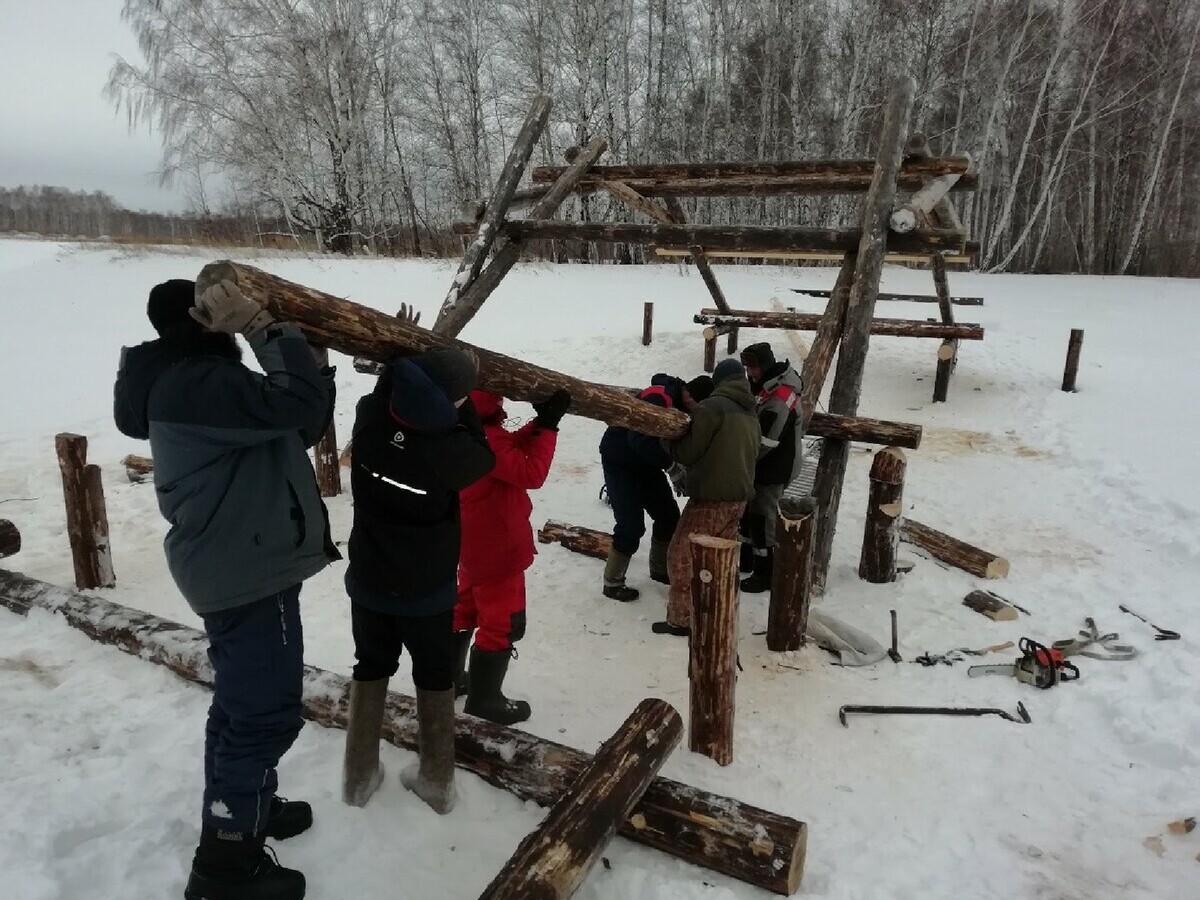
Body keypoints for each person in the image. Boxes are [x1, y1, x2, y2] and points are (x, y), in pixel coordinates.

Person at [114, 278, 337, 900]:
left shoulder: (196, 382)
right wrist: (269, 332)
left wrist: (311, 359)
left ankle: (249, 810)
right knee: (262, 715)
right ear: (205, 323)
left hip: (241, 561)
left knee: (243, 706)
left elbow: (299, 423)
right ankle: (226, 864)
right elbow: (291, 408)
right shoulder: (199, 383)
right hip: (246, 572)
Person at [340, 333, 495, 814]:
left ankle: (358, 778)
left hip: (369, 579)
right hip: (426, 591)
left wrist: (402, 366)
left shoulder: (369, 419)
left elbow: (385, 391)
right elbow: (483, 454)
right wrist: (463, 407)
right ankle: (436, 780)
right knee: (433, 676)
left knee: (370, 666)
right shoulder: (453, 452)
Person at [454, 387, 571, 724]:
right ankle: (485, 699)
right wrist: (548, 426)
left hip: (472, 541)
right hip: (498, 546)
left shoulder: (463, 432)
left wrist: (539, 423)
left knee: (464, 608)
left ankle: (449, 681)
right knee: (502, 621)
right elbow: (530, 473)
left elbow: (508, 449)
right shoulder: (487, 438)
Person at [654, 359, 759, 636]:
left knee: (681, 556)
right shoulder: (750, 410)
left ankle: (681, 620)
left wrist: (665, 437)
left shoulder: (712, 408)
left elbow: (688, 452)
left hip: (711, 498)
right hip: (739, 498)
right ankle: (716, 611)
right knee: (719, 560)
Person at [598, 374, 714, 602]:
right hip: (620, 460)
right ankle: (612, 582)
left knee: (668, 515)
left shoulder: (677, 401)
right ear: (688, 394)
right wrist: (672, 467)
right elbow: (638, 439)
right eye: (695, 405)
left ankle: (659, 569)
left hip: (645, 462)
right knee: (630, 524)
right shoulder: (661, 399)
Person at [737, 343, 804, 593]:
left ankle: (765, 571)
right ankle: (746, 558)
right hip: (759, 462)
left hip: (775, 464)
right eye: (747, 368)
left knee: (763, 515)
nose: (750, 373)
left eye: (753, 368)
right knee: (748, 511)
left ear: (764, 366)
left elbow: (766, 439)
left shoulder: (780, 395)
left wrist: (742, 460)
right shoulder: (763, 386)